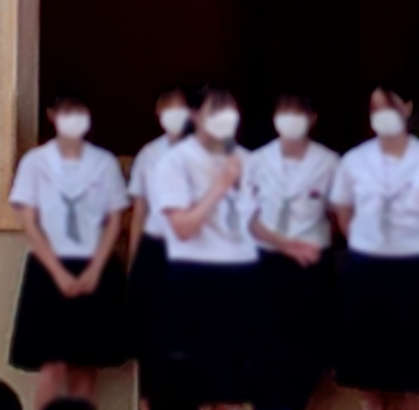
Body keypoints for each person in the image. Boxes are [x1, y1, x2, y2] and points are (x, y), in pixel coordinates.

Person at [8, 91, 129, 410]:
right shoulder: (35, 162)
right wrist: (58, 273)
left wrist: (94, 271)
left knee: (86, 365)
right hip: (48, 268)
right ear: (51, 115)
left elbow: (114, 221)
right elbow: (29, 222)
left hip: (96, 267)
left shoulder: (103, 162)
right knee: (52, 366)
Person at [154, 85, 259, 409]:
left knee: (233, 388)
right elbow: (182, 227)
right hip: (193, 277)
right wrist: (220, 186)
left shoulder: (248, 161)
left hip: (241, 277)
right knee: (194, 388)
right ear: (196, 116)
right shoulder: (175, 162)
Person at [330, 82, 419, 410]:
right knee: (367, 361)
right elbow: (343, 213)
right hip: (366, 267)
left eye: (390, 106)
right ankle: (372, 403)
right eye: (375, 108)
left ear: (407, 108)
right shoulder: (355, 160)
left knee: (411, 362)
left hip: (413, 266)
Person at [250, 93, 339, 410]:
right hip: (267, 258)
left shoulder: (330, 162)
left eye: (298, 113)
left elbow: (338, 214)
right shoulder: (255, 160)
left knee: (306, 338)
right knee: (265, 337)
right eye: (284, 111)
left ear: (312, 119)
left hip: (310, 261)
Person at [127, 86, 191, 410]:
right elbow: (139, 213)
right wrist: (134, 263)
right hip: (155, 256)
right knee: (152, 342)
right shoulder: (148, 155)